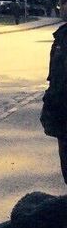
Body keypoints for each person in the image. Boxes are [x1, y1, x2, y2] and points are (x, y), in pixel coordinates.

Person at [40, 12, 67, 185]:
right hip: (62, 115)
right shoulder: (61, 36)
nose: (63, 7)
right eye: (62, 2)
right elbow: (54, 77)